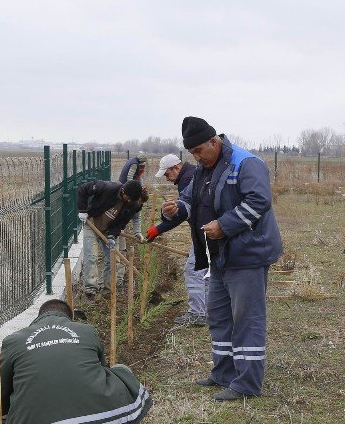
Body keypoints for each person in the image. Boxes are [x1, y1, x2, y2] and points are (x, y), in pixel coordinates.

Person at [161, 117, 283, 401]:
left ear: (214, 142)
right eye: (192, 154)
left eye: (200, 151)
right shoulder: (205, 168)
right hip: (219, 256)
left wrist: (224, 225)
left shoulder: (245, 163)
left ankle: (247, 384)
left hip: (248, 254)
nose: (197, 158)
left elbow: (259, 201)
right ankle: (224, 372)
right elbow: (192, 201)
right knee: (219, 315)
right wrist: (175, 209)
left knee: (246, 319)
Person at [0, 299, 151, 424]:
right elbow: (101, 374)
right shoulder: (87, 331)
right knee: (120, 371)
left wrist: (10, 415)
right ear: (70, 317)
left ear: (38, 318)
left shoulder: (14, 341)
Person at [146, 153, 207, 327]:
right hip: (208, 230)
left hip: (204, 231)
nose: (167, 179)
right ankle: (208, 311)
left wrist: (158, 229)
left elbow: (181, 213)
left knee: (194, 270)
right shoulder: (193, 174)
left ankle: (197, 314)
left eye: (167, 174)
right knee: (206, 272)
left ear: (176, 168)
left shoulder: (188, 179)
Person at [77, 179, 147, 295]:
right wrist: (82, 210)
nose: (129, 201)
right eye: (128, 198)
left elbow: (122, 223)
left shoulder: (133, 204)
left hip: (108, 230)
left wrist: (112, 235)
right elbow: (83, 189)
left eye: (131, 200)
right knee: (92, 256)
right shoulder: (107, 187)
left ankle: (108, 290)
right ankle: (90, 289)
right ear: (123, 191)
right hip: (92, 223)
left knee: (112, 258)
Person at [118, 152, 147, 238]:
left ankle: (122, 249)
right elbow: (129, 177)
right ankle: (117, 247)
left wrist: (137, 232)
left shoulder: (133, 161)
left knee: (120, 226)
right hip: (125, 188)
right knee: (119, 222)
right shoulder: (134, 164)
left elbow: (137, 216)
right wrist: (131, 190)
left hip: (127, 189)